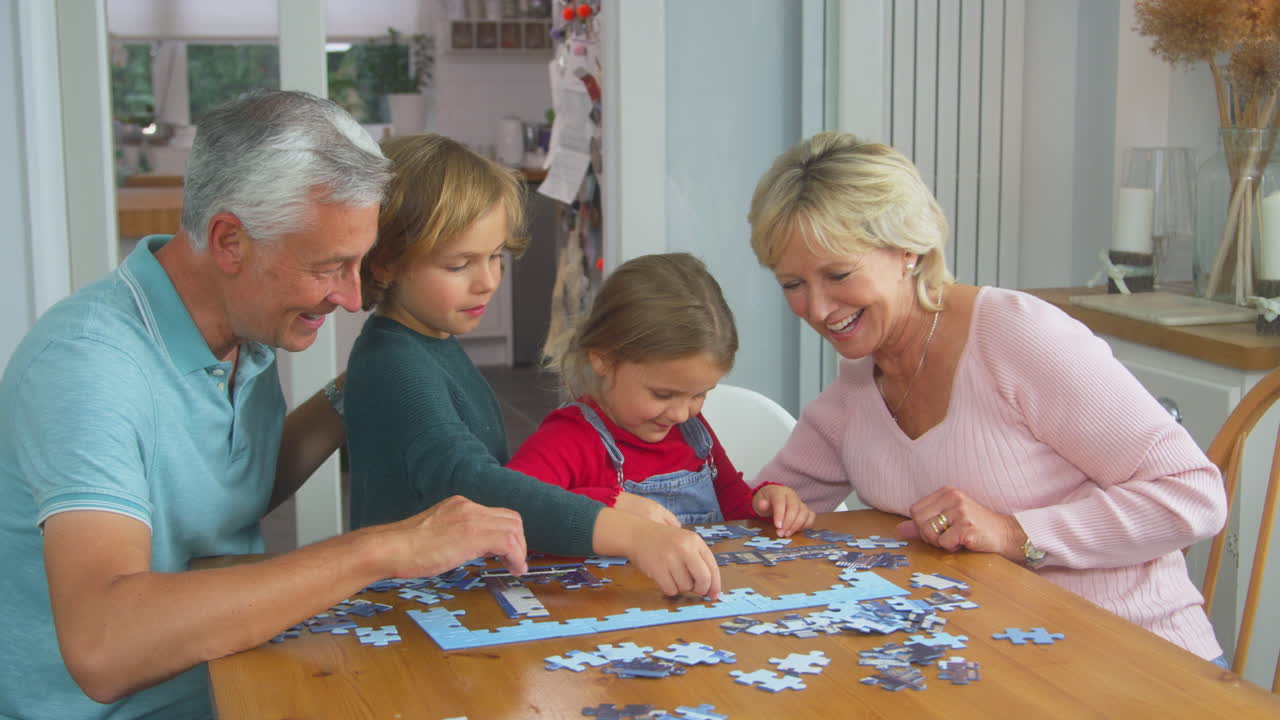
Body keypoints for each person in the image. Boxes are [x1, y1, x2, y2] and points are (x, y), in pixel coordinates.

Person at [0, 91, 533, 720]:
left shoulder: (239, 331)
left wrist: (362, 385)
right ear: (229, 240)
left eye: (360, 262)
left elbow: (230, 487)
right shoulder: (87, 367)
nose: (351, 294)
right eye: (331, 265)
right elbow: (104, 645)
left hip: (241, 674)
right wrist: (381, 548)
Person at [745, 131, 1228, 662]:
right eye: (792, 284)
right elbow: (755, 515)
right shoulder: (857, 386)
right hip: (991, 671)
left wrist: (1014, 532)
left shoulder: (1018, 336)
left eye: (838, 274)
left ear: (907, 249)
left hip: (1140, 664)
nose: (816, 308)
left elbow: (1194, 494)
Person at [343, 134, 721, 599]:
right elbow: (473, 486)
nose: (487, 282)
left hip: (451, 595)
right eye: (460, 264)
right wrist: (631, 534)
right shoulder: (395, 363)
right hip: (409, 608)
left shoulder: (430, 341)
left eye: (495, 257)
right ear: (385, 265)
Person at [507, 253, 815, 535]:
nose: (682, 414)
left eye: (699, 394)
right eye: (663, 395)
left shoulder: (692, 433)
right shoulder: (568, 439)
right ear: (602, 358)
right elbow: (508, 512)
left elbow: (732, 504)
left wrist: (763, 503)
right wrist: (603, 507)